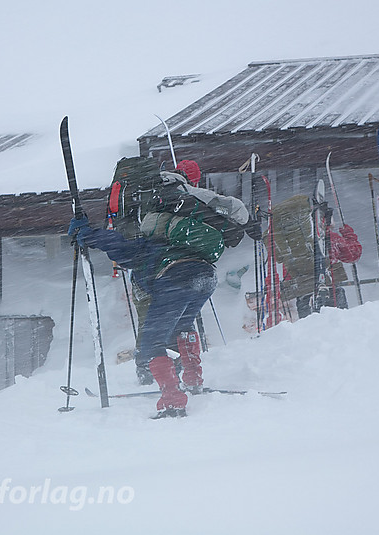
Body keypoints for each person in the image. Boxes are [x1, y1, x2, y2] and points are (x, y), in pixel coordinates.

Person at [72, 159, 260, 417]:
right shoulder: (174, 242)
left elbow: (115, 244)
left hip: (176, 279)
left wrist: (86, 235)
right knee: (183, 327)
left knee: (151, 342)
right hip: (205, 278)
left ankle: (173, 400)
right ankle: (193, 378)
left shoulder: (145, 249)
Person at [266, 195, 362, 319]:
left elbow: (282, 264)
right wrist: (349, 235)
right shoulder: (329, 238)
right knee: (338, 324)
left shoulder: (291, 244)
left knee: (309, 329)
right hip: (330, 290)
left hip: (303, 294)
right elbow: (353, 255)